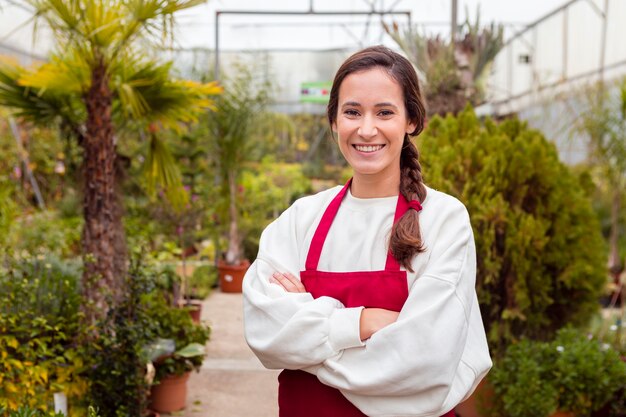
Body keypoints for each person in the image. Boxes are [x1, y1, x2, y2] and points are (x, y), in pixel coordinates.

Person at [242, 45, 492, 417]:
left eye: (385, 112)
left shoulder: (443, 219)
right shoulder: (300, 219)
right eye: (352, 112)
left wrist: (309, 342)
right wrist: (365, 322)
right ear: (334, 121)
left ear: (411, 120)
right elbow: (267, 335)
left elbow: (425, 359)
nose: (366, 129)